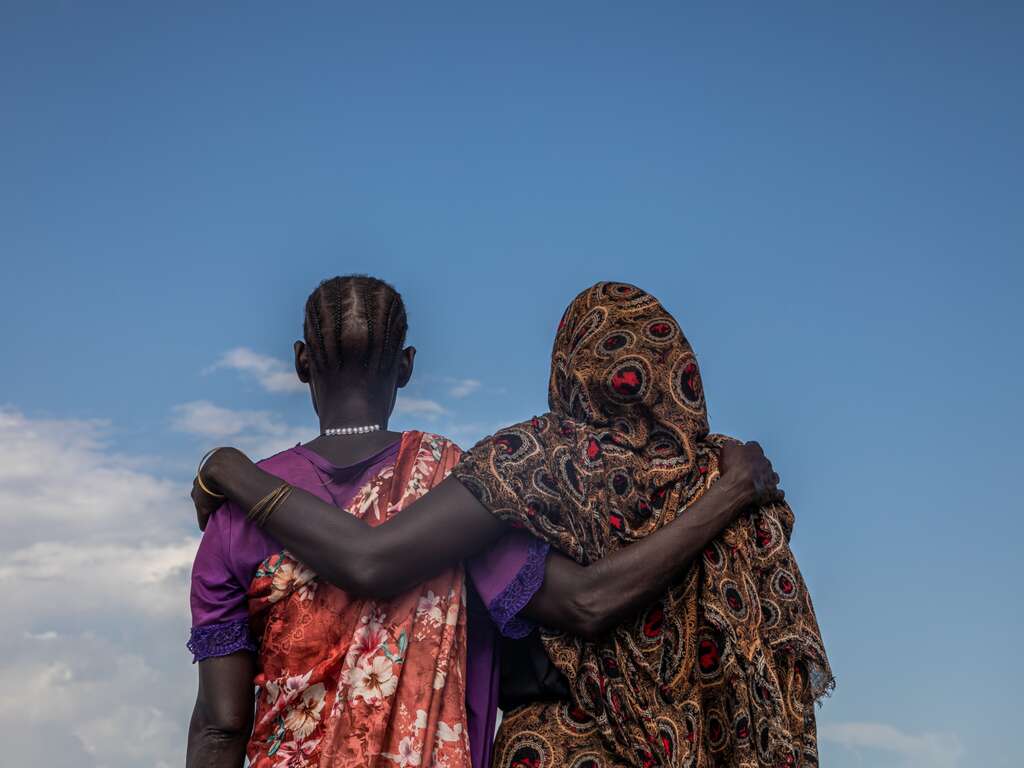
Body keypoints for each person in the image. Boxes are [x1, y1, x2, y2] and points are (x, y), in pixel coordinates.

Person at [187, 276, 781, 768]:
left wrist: (229, 468)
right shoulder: (456, 487)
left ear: (299, 362)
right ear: (407, 367)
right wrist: (728, 492)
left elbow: (221, 726)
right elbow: (585, 602)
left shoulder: (235, 518)